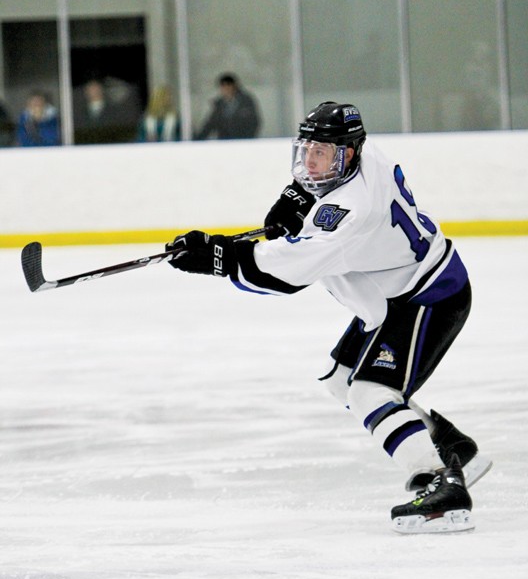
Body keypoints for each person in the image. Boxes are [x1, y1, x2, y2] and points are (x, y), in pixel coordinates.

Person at [165, 102, 492, 534]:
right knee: (340, 377)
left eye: (323, 153)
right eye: (307, 150)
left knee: (372, 392)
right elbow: (312, 201)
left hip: (427, 296)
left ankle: (440, 484)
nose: (311, 162)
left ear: (350, 154)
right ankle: (451, 446)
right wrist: (294, 198)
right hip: (394, 293)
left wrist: (218, 256)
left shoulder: (351, 212)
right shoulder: (366, 155)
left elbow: (284, 273)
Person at [194, 73, 261, 140]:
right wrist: (197, 140)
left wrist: (246, 140)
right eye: (223, 86)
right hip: (224, 145)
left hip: (243, 144)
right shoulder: (218, 105)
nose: (226, 88)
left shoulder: (246, 102)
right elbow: (209, 124)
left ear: (235, 86)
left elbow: (254, 123)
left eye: (228, 85)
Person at [73, 79, 138, 145]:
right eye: (90, 88)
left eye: (96, 88)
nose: (93, 91)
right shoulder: (81, 114)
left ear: (101, 89)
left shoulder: (114, 111)